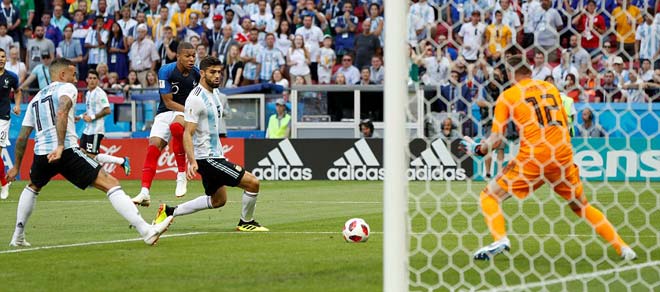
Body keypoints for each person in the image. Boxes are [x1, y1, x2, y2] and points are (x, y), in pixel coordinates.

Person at [461, 55, 635, 261]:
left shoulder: (508, 95)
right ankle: (623, 248)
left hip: (534, 157)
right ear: (530, 71)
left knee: (489, 196)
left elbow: (497, 139)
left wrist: (479, 149)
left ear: (511, 73)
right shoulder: (551, 89)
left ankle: (501, 239)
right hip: (562, 155)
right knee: (582, 206)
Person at [6, 58, 173, 247]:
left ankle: (17, 236)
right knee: (110, 183)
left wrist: (16, 168)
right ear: (62, 75)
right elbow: (61, 111)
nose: (77, 79)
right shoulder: (66, 88)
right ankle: (146, 231)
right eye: (74, 74)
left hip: (41, 153)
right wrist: (60, 145)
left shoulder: (36, 98)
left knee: (33, 187)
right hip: (66, 150)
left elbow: (22, 137)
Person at [151, 56, 268, 232]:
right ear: (202, 73)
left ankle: (168, 212)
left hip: (215, 155)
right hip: (207, 158)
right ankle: (246, 222)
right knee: (253, 183)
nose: (217, 76)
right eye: (212, 72)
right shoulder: (196, 98)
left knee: (218, 200)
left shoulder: (215, 94)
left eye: (219, 72)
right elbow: (187, 133)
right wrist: (192, 161)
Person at [132, 42, 199, 207]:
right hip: (166, 110)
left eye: (193, 56)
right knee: (153, 147)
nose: (191, 59)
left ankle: (181, 175)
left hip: (183, 113)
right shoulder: (166, 71)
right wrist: (189, 110)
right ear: (178, 56)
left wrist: (192, 113)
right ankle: (145, 192)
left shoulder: (197, 73)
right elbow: (168, 102)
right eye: (187, 56)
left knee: (176, 127)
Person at [78, 69, 131, 174]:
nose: (92, 80)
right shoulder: (88, 93)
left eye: (94, 78)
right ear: (86, 80)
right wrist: (80, 116)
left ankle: (121, 161)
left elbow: (107, 110)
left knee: (91, 155)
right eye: (90, 78)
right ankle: (120, 162)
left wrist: (92, 117)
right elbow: (90, 111)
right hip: (88, 129)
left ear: (98, 80)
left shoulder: (100, 93)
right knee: (83, 153)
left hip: (96, 129)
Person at [0, 48, 20, 200]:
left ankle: (4, 184)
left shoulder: (11, 77)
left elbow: (18, 91)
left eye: (2, 57)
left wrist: (18, 105)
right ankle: (4, 182)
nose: (1, 59)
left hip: (3, 117)